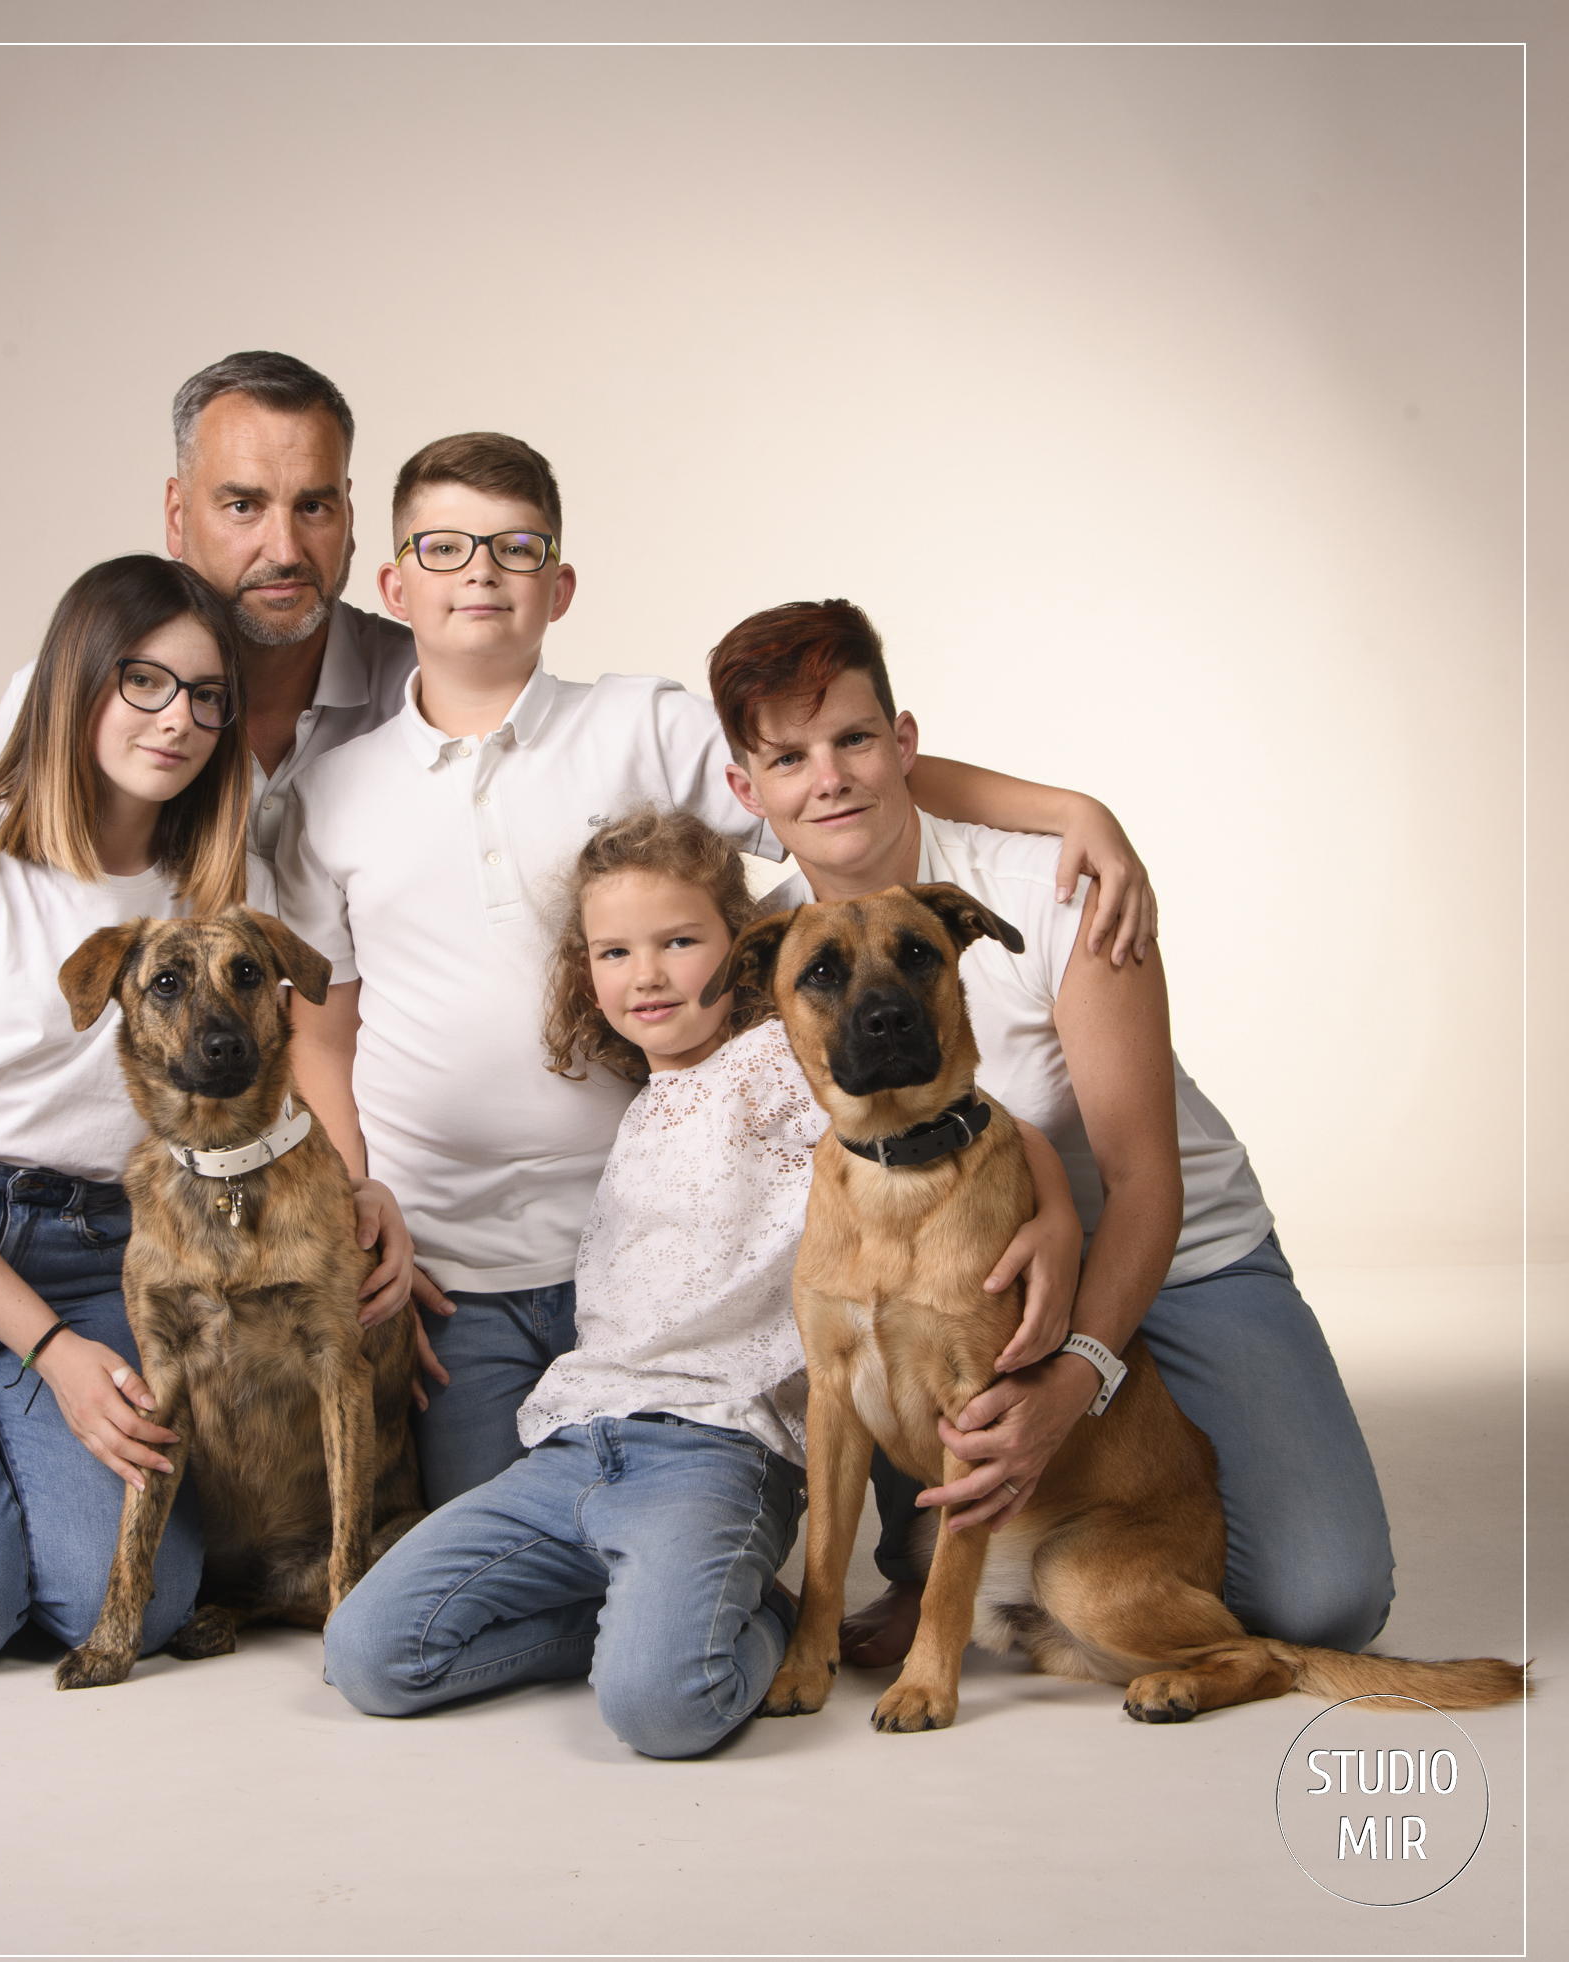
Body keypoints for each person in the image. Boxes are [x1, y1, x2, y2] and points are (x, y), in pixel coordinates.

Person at [277, 432, 1155, 1509]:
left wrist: (1069, 810)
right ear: (392, 579)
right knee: (507, 1547)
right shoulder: (328, 796)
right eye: (445, 546)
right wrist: (355, 1205)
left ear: (559, 583)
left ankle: (801, 1562)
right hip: (449, 1259)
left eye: (513, 546)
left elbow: (825, 773)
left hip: (665, 1239)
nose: (479, 571)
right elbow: (323, 1034)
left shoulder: (639, 725)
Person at [710, 598, 1394, 1659]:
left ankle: (1045, 1553)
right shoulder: (786, 942)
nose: (828, 777)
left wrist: (1072, 1378)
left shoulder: (1051, 889)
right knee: (897, 1298)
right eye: (789, 759)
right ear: (747, 794)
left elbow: (1142, 1182)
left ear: (903, 744)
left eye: (853, 739)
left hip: (1177, 1252)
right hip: (969, 1257)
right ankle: (945, 1567)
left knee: (1320, 1602)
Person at [0, 555, 401, 1672]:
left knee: (150, 1609)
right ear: (74, 683)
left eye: (208, 696)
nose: (179, 719)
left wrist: (358, 1180)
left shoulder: (216, 887)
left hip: (95, 1249)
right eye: (143, 682)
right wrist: (50, 1354)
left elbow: (305, 1052)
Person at [324, 809, 1080, 1757]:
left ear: (742, 962)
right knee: (366, 1656)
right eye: (614, 952)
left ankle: (735, 1618)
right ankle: (657, 1611)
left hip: (718, 1446)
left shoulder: (781, 1067)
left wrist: (1053, 1211)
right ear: (584, 972)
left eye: (681, 943)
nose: (647, 974)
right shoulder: (631, 1103)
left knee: (663, 1709)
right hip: (579, 1440)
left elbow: (957, 1119)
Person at [0, 349, 418, 1280]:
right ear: (177, 516)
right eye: (242, 505)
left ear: (349, 513)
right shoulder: (70, 697)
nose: (284, 546)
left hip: (361, 1162)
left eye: (314, 504)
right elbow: (4, 927)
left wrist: (357, 1194)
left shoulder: (422, 701)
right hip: (138, 1180)